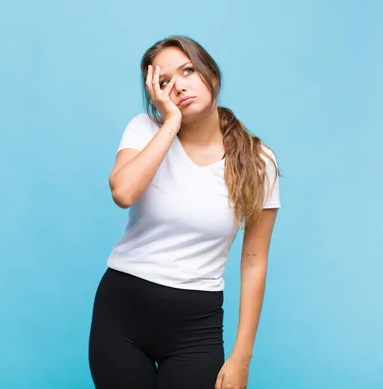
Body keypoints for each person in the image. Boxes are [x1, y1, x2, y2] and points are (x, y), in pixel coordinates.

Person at [88, 35, 281, 389]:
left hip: (196, 328)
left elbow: (254, 259)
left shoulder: (258, 161)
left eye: (188, 70)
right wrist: (171, 122)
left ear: (210, 73)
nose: (178, 85)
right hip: (122, 316)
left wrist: (241, 357)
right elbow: (124, 192)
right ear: (155, 95)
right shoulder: (144, 129)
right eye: (164, 82)